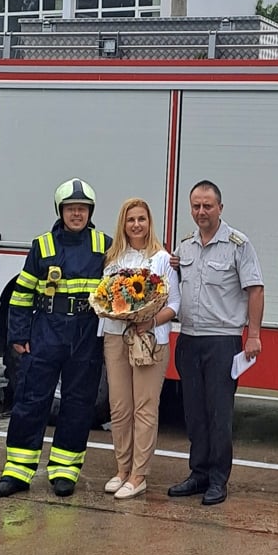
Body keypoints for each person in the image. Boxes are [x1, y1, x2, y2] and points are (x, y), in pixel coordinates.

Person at [0, 178, 111, 499]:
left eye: (82, 209)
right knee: (31, 400)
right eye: (71, 209)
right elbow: (22, 293)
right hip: (46, 330)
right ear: (60, 211)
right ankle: (17, 471)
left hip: (86, 333)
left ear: (90, 212)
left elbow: (124, 281)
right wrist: (17, 335)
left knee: (78, 404)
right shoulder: (42, 246)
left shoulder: (104, 245)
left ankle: (64, 471)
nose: (77, 214)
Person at [168, 180, 264, 506]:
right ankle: (198, 474)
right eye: (196, 206)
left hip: (222, 341)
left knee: (218, 415)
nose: (201, 212)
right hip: (190, 339)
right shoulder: (184, 247)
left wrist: (253, 335)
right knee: (194, 413)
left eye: (207, 205)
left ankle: (218, 480)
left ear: (220, 208)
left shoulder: (238, 245)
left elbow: (255, 290)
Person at [98, 198, 181, 500]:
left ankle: (138, 475)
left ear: (150, 222)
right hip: (115, 337)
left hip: (149, 340)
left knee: (145, 408)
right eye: (130, 219)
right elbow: (104, 297)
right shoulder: (113, 260)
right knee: (120, 408)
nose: (136, 225)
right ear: (123, 223)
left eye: (141, 219)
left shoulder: (161, 259)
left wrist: (150, 322)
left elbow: (174, 304)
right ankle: (121, 469)